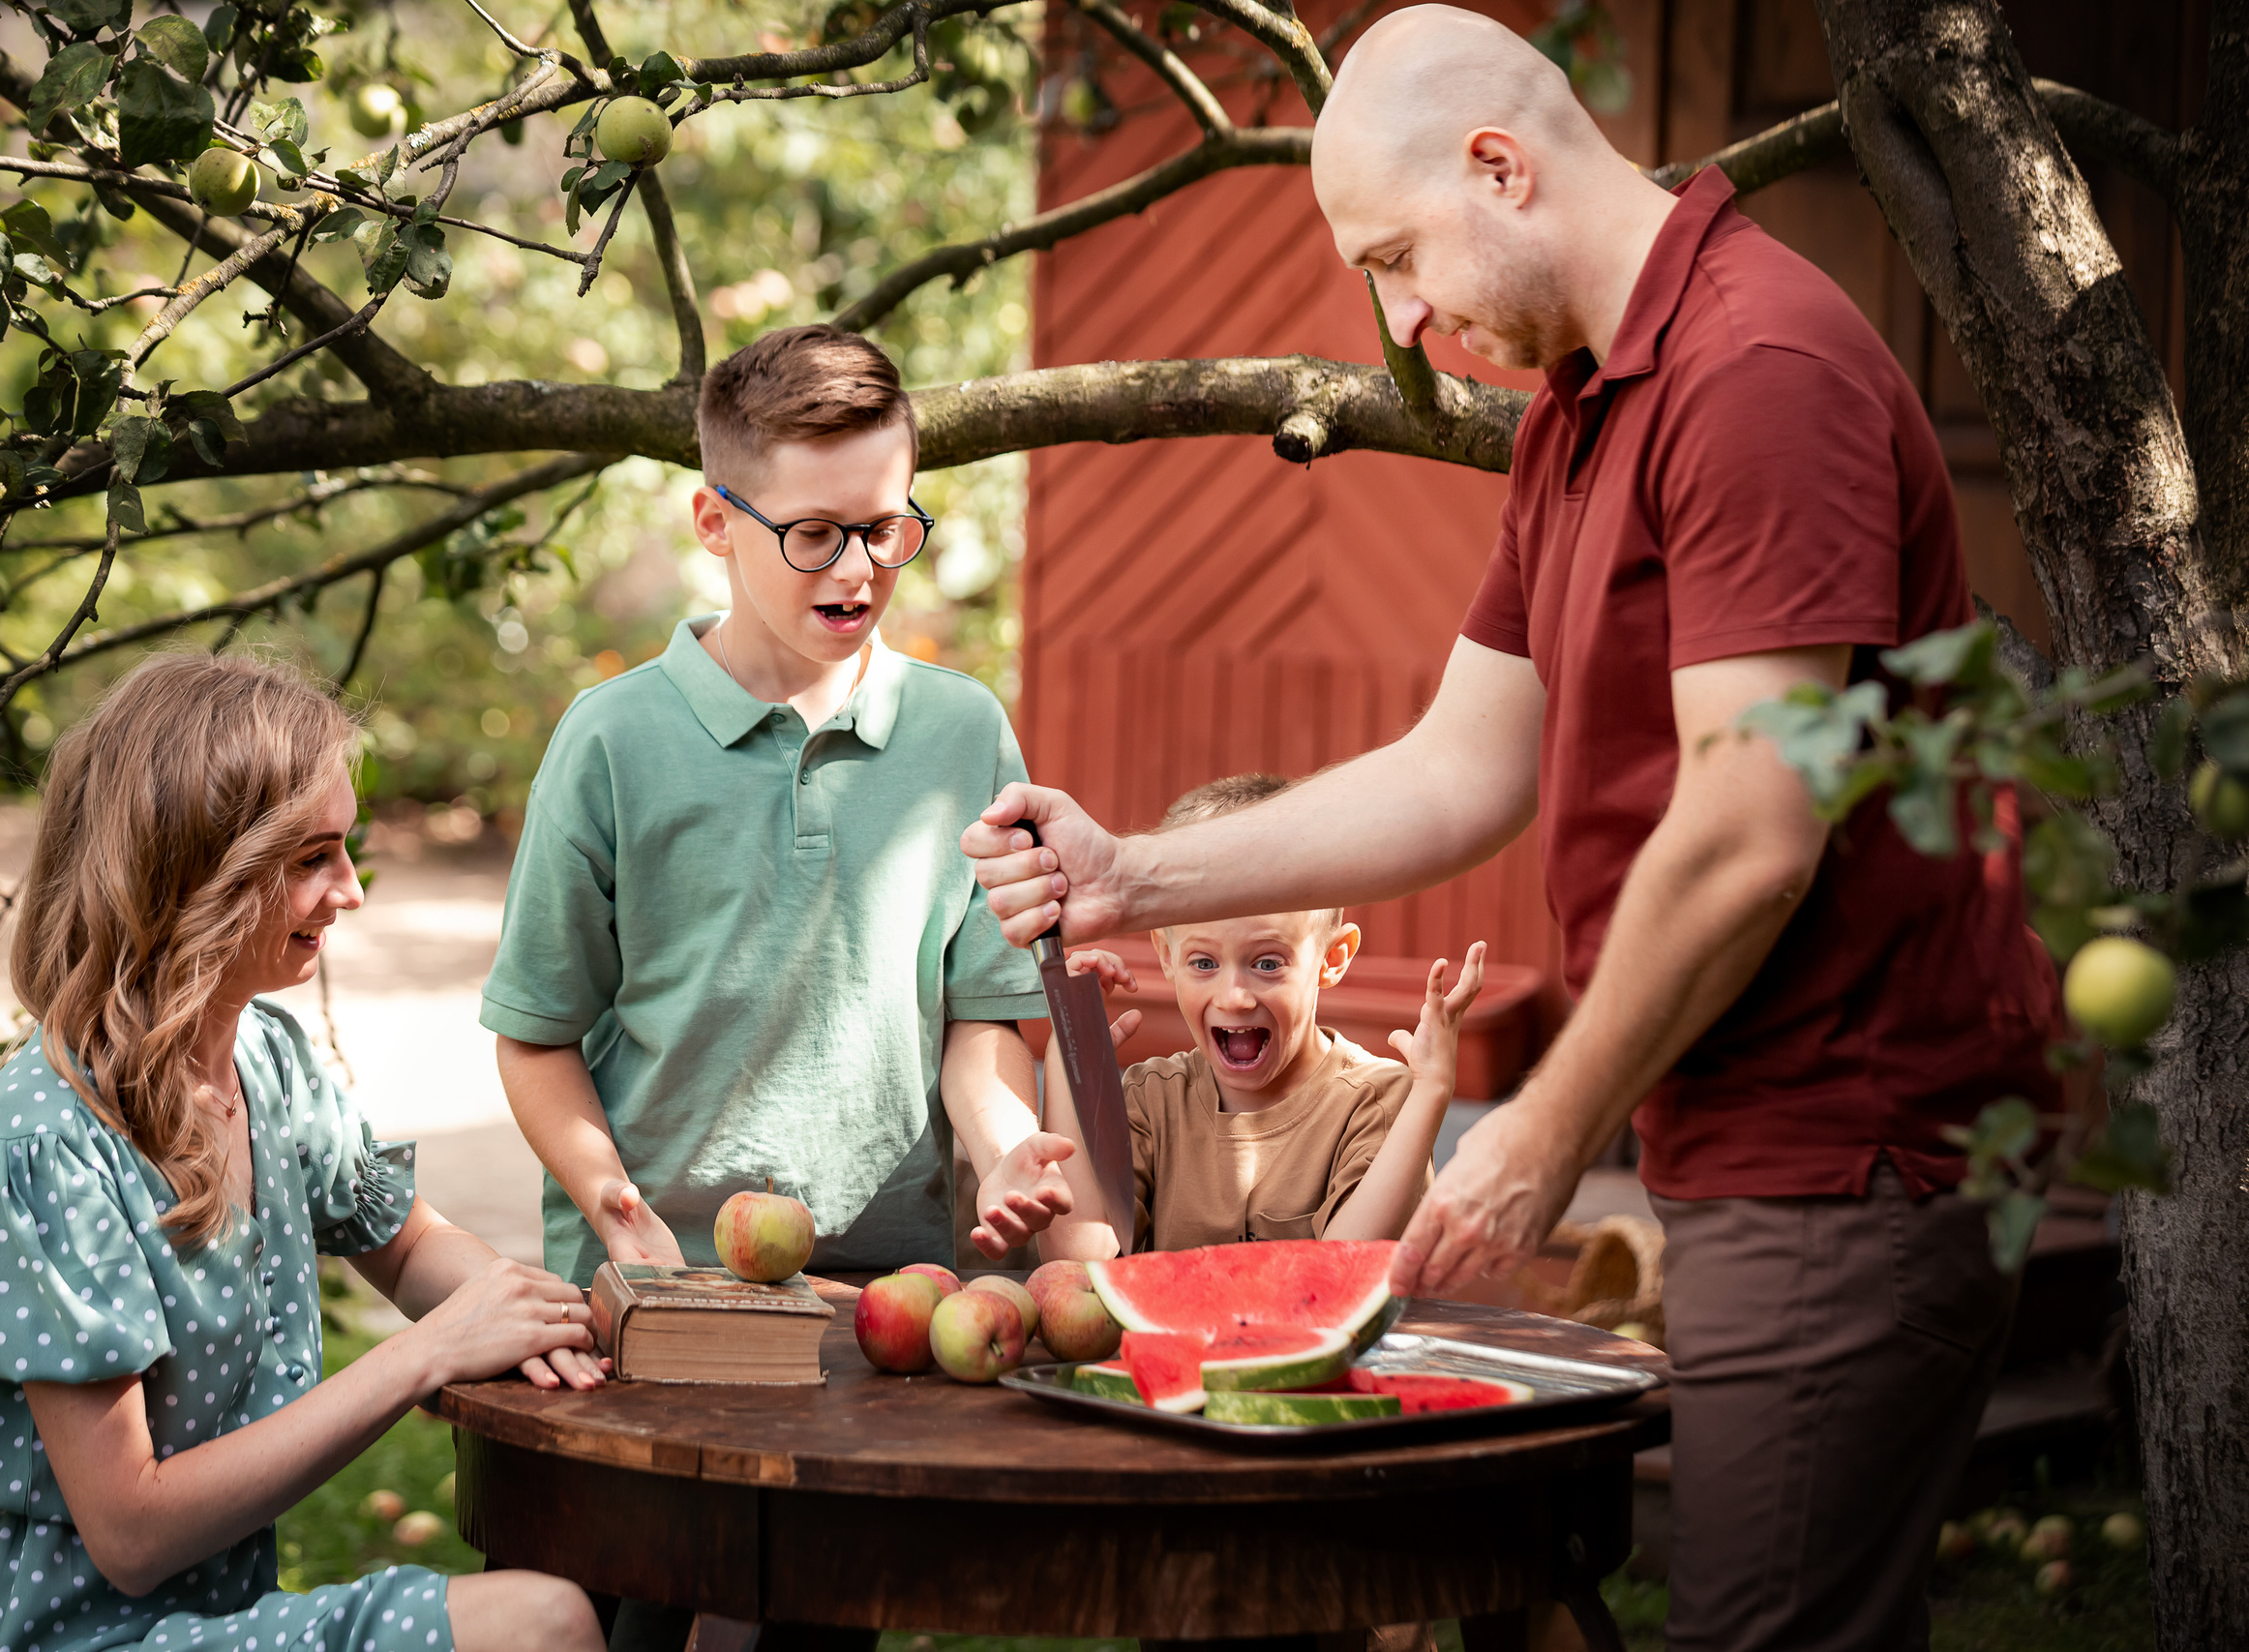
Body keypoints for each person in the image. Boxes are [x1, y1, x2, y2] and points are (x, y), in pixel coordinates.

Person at [962, 10, 2060, 1651]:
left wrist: (1536, 1134)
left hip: (1855, 1138)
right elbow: (1460, 770)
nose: (1401, 319)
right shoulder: (1577, 410)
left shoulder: (1756, 370)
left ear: (1500, 166)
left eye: (1397, 258)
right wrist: (1132, 874)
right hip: (1743, 1126)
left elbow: (1751, 824)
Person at [480, 325, 1070, 1652]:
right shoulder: (614, 739)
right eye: (814, 532)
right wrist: (607, 1197)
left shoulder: (962, 729)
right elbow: (535, 1036)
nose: (857, 566)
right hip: (654, 1289)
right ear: (715, 518)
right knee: (636, 1614)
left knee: (820, 1617)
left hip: (872, 1297)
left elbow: (981, 1018)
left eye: (885, 525)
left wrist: (1006, 1141)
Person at [0, 653, 605, 1652]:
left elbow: (399, 1244)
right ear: (192, 872)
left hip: (206, 1623)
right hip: (58, 1634)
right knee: (542, 1621)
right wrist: (422, 1357)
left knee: (569, 1599)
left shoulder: (267, 1060)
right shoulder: (51, 1139)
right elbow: (132, 1533)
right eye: (311, 859)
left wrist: (546, 1322)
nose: (350, 893)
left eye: (344, 851)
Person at [1033, 774, 1486, 1258]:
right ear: (1166, 956)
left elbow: (1340, 1275)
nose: (1234, 997)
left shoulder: (1376, 1100)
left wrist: (1433, 1090)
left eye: (1267, 963)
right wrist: (1069, 1054)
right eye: (1203, 963)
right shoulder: (1152, 1100)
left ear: (1331, 959)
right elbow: (1077, 1265)